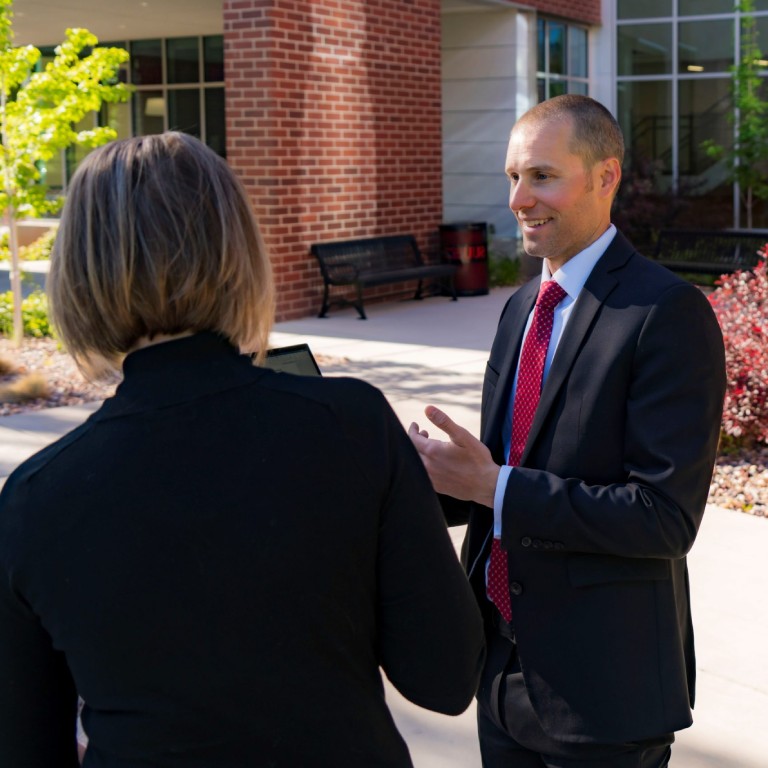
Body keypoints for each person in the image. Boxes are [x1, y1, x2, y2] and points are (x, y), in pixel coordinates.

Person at [0, 132, 485, 767]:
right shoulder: (351, 424)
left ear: (79, 273)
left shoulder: (36, 497)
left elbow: (25, 746)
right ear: (237, 252)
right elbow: (445, 678)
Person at [409, 94, 726, 768]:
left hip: (604, 694)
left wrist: (495, 485)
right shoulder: (522, 305)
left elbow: (663, 517)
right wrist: (413, 475)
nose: (520, 199)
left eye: (542, 176)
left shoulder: (666, 313)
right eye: (512, 178)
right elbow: (498, 472)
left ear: (605, 176)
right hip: (500, 678)